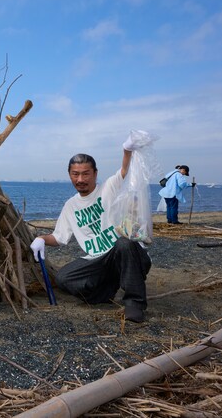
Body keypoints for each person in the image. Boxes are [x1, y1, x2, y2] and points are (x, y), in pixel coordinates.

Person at [29, 134, 152, 323]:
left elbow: (125, 170)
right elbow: (60, 237)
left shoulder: (109, 188)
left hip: (125, 255)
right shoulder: (70, 206)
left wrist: (126, 150)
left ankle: (134, 304)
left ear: (95, 173)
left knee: (124, 243)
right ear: (69, 175)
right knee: (63, 278)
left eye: (85, 173)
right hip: (98, 261)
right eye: (75, 174)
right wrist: (42, 239)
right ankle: (105, 292)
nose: (80, 179)